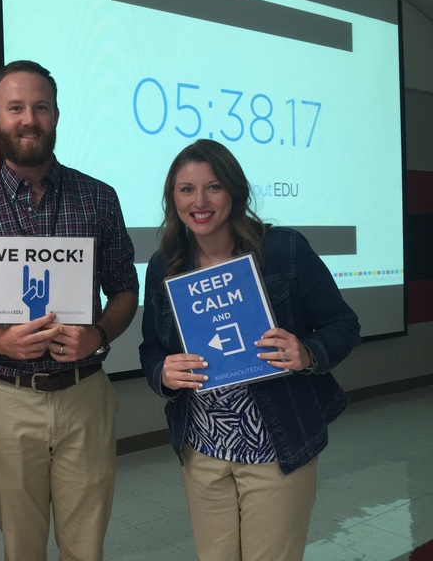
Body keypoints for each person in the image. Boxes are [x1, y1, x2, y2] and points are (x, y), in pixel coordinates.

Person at [0, 60, 139, 561]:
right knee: (20, 547)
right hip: (10, 399)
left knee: (85, 548)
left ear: (56, 115)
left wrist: (97, 334)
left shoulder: (99, 198)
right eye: (16, 108)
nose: (29, 119)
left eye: (41, 107)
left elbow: (124, 289)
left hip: (85, 395)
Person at [139, 139, 361, 561]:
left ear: (235, 193)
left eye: (213, 187)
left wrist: (307, 351)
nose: (199, 201)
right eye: (186, 189)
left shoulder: (283, 251)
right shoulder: (165, 265)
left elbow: (344, 325)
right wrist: (162, 373)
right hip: (202, 449)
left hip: (276, 446)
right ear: (173, 198)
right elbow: (151, 348)